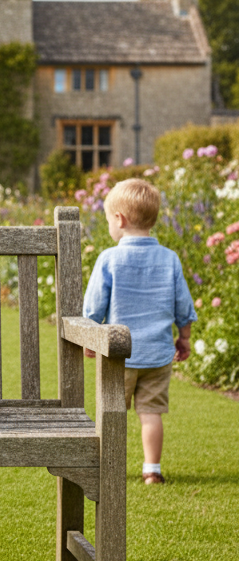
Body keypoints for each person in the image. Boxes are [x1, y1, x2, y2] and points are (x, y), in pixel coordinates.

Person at [82, 178, 197, 485]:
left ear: (119, 219)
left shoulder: (110, 258)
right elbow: (183, 304)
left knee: (112, 413)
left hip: (120, 355)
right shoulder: (169, 259)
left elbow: (94, 306)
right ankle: (152, 470)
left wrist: (90, 338)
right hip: (158, 355)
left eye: (108, 220)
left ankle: (108, 467)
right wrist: (183, 338)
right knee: (151, 414)